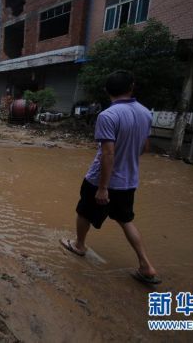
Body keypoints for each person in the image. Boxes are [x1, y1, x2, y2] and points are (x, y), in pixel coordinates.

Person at [61, 70, 160, 284]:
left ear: (106, 91)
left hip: (100, 180)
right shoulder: (145, 113)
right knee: (126, 220)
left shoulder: (108, 116)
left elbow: (107, 153)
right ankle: (146, 265)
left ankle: (79, 245)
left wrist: (103, 187)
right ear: (132, 87)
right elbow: (144, 147)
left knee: (84, 213)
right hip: (128, 181)